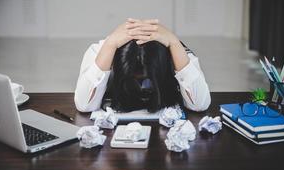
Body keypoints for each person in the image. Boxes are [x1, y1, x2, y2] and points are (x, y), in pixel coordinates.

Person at [74, 18, 211, 113]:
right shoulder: (100, 51)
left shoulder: (176, 52)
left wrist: (174, 43)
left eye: (148, 81)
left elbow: (199, 105)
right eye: (134, 81)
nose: (142, 89)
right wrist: (110, 44)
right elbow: (84, 105)